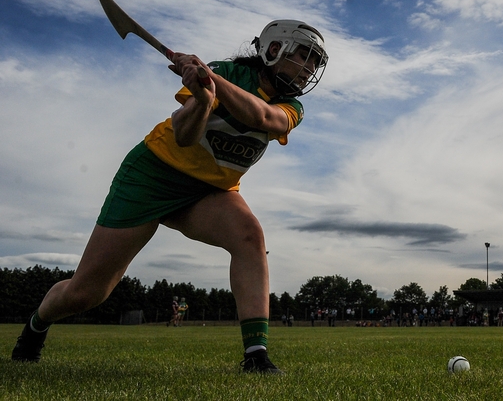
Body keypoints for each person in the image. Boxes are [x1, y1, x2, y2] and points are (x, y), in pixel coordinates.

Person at [10, 19, 328, 374]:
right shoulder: (227, 73)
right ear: (274, 49)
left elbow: (264, 117)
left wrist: (211, 81)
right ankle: (36, 325)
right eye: (305, 57)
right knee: (87, 293)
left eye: (315, 63)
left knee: (250, 236)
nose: (309, 69)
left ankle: (256, 357)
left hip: (210, 191)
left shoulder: (290, 106)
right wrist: (204, 100)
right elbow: (184, 137)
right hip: (152, 177)